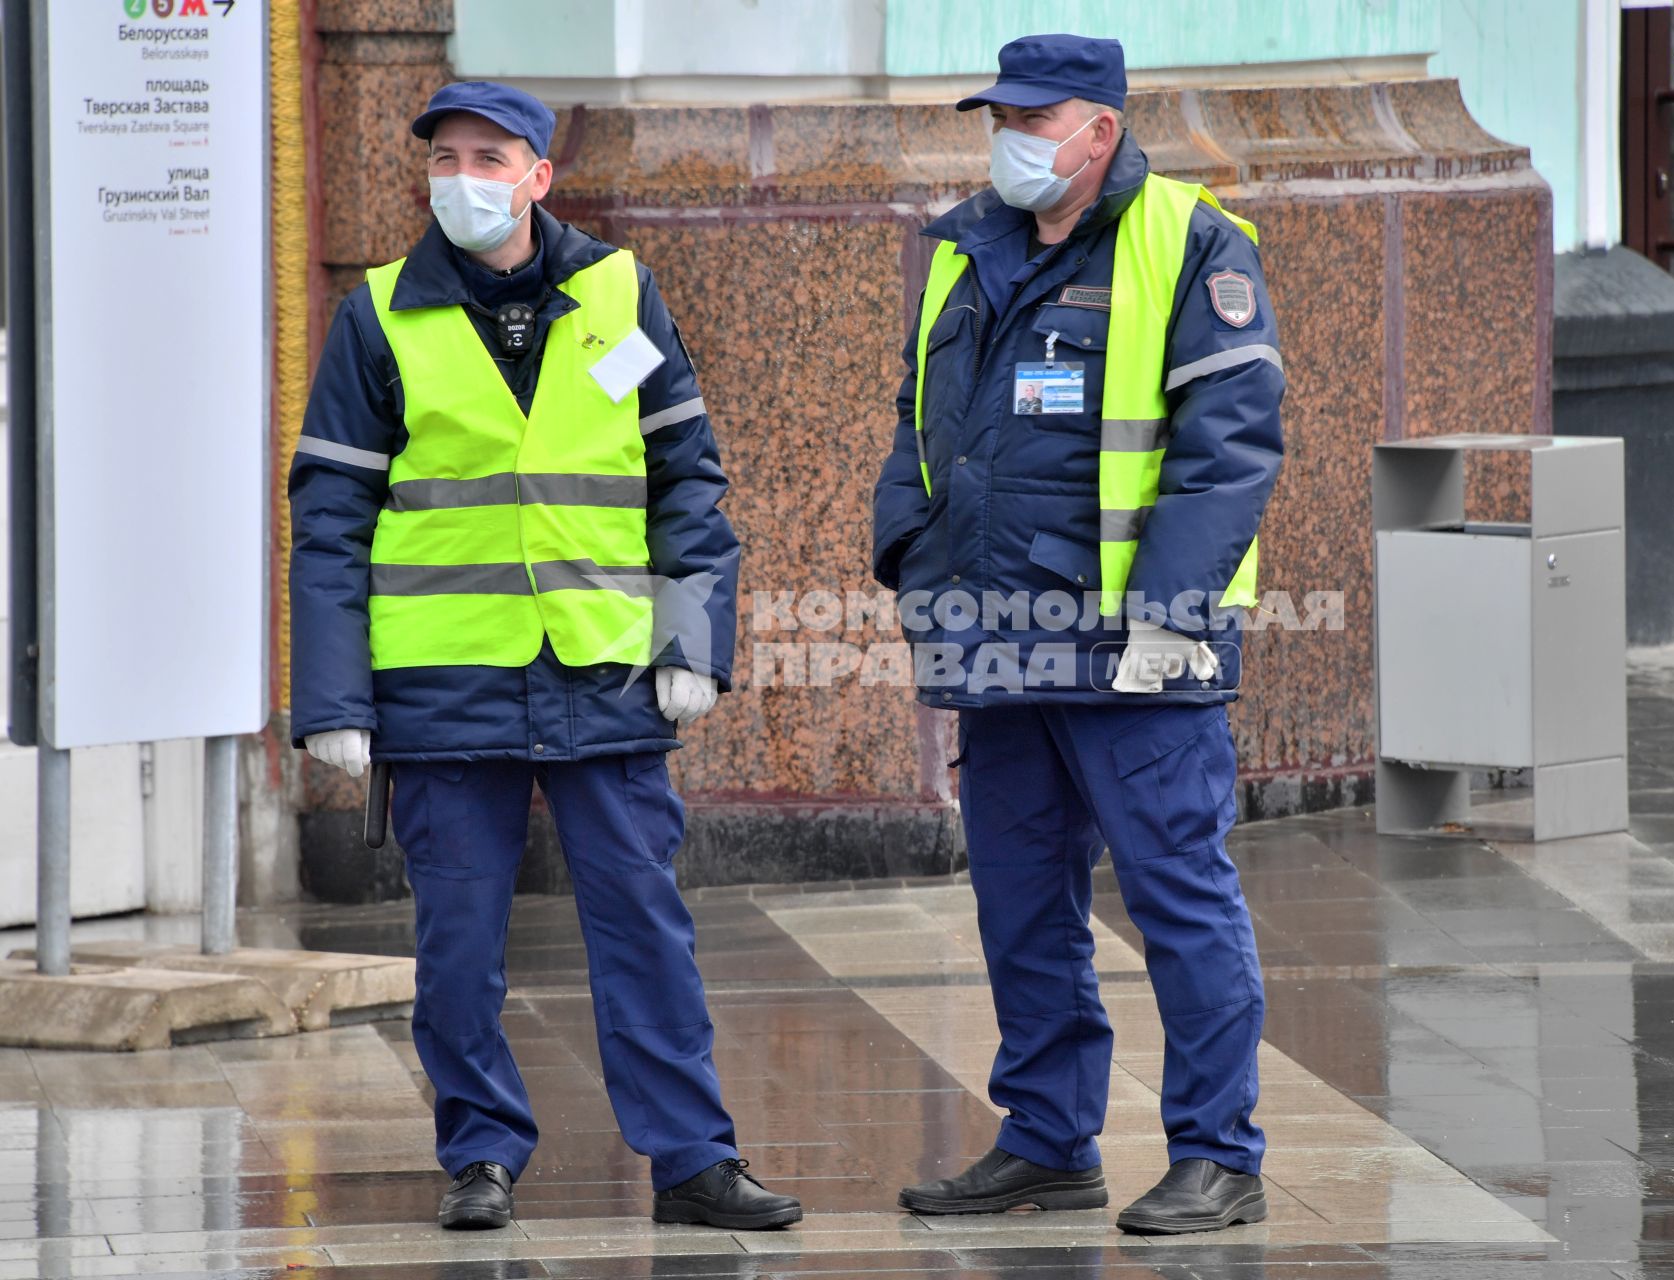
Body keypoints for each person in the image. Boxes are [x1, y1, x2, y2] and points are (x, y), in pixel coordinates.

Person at [288, 80, 801, 1233]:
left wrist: (689, 639)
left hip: (602, 670)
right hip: (443, 682)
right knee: (457, 943)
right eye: (444, 157)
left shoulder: (621, 294)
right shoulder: (379, 315)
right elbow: (328, 514)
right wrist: (333, 694)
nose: (462, 177)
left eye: (489, 156)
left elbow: (687, 479)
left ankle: (693, 1159)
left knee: (643, 923)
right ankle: (479, 1152)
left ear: (538, 177)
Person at [869, 35, 1285, 1235]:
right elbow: (919, 416)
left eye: (1031, 119)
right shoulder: (968, 248)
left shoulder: (1192, 240)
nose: (1007, 137)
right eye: (999, 115)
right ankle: (1050, 1139)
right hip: (999, 641)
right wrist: (910, 548)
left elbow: (1231, 447)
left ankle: (1221, 1152)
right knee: (1019, 902)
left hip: (1138, 653)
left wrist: (1169, 615)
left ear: (1098, 130)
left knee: (1179, 899)